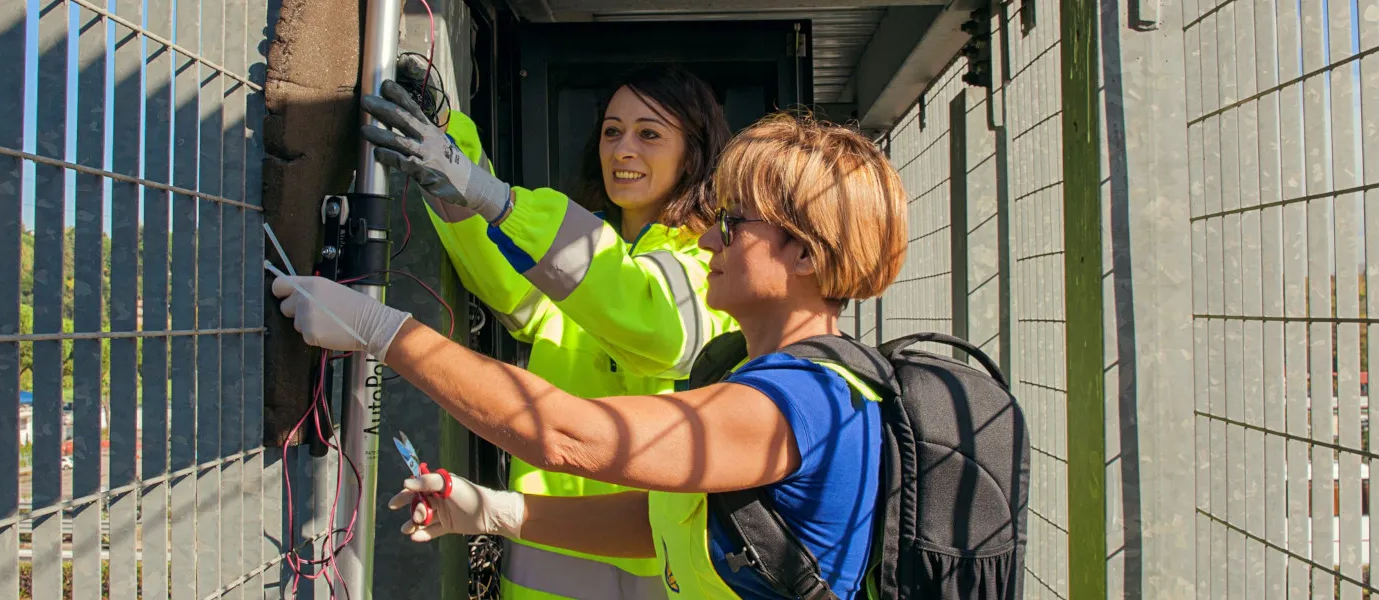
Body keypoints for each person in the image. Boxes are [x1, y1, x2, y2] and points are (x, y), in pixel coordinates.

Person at [272, 113, 908, 599]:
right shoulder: (779, 379)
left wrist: (381, 330)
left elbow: (570, 435)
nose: (710, 235)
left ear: (806, 255)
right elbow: (658, 522)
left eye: (735, 224)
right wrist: (493, 511)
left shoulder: (809, 401)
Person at [355, 63, 741, 599]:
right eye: (612, 131)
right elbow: (506, 275)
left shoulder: (711, 264)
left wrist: (490, 195)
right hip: (545, 555)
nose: (622, 149)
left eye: (649, 133)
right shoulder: (587, 256)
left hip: (661, 571)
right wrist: (450, 145)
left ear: (694, 153)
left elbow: (649, 319)